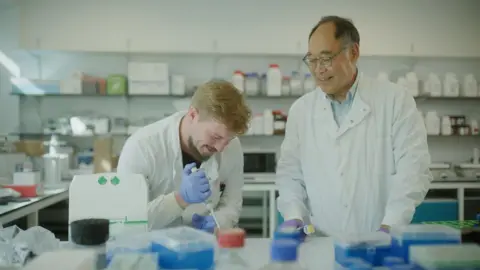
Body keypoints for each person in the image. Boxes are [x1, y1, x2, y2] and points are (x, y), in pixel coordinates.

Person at [276, 16, 433, 237]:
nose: (318, 69)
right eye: (312, 60)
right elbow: (290, 174)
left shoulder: (395, 100)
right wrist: (294, 215)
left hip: (379, 241)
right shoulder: (301, 111)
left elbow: (413, 170)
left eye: (326, 58)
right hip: (320, 243)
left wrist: (391, 225)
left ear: (353, 52)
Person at [117, 79, 252, 233]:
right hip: (152, 250)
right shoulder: (142, 147)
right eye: (215, 137)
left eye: (228, 140)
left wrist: (219, 221)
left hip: (204, 246)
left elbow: (232, 202)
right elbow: (127, 220)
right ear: (193, 115)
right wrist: (179, 199)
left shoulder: (232, 147)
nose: (221, 148)